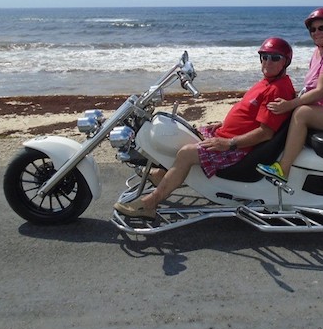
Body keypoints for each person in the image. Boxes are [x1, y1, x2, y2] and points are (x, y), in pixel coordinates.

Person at [114, 37, 296, 219]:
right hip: (227, 135)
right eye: (264, 56)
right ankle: (165, 176)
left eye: (274, 58)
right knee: (182, 134)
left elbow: (266, 133)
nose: (267, 61)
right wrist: (223, 126)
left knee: (186, 153)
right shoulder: (268, 82)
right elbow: (251, 117)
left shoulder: (277, 90)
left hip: (239, 149)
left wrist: (229, 143)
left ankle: (149, 204)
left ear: (285, 62)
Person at [256, 7, 323, 182]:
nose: (316, 32)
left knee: (301, 113)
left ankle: (283, 169)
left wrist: (291, 104)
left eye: (321, 28)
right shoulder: (319, 50)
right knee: (291, 107)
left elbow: (322, 91)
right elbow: (311, 86)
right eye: (312, 29)